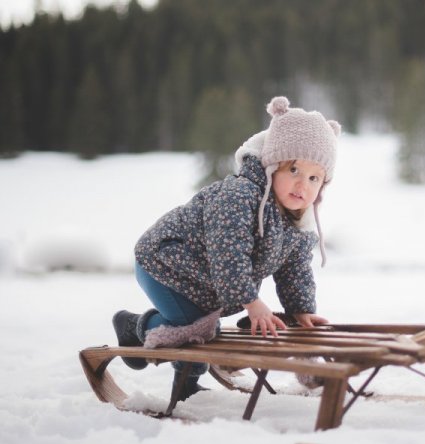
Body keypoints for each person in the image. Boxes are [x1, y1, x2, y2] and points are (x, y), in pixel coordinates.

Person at [111, 96, 341, 401]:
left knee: (204, 328)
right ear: (272, 166)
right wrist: (251, 301)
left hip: (202, 280)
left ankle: (167, 365)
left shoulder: (298, 222)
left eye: (314, 178)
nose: (303, 186)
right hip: (164, 262)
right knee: (197, 328)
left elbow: (295, 270)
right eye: (294, 171)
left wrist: (301, 310)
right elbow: (227, 255)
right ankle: (138, 331)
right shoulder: (239, 196)